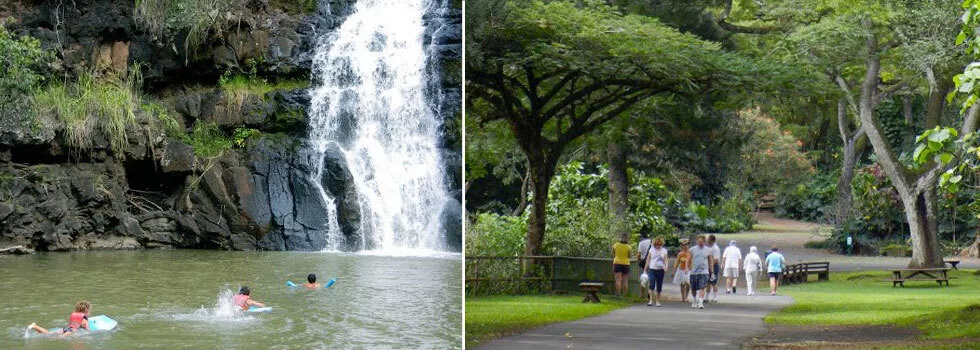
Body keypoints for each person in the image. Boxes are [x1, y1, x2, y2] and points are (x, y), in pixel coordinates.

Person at [689, 235, 714, 309]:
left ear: (704, 242)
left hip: (704, 272)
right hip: (694, 272)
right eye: (699, 242)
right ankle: (694, 300)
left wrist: (711, 271)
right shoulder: (692, 249)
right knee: (693, 288)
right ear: (697, 241)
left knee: (702, 287)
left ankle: (700, 302)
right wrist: (687, 268)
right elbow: (688, 259)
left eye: (702, 242)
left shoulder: (708, 250)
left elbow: (710, 261)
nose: (700, 243)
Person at [643, 236, 669, 307]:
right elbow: (648, 259)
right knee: (652, 283)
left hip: (660, 269)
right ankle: (651, 300)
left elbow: (666, 259)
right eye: (656, 244)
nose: (658, 246)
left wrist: (666, 267)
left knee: (659, 285)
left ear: (661, 244)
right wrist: (645, 268)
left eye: (659, 244)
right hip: (652, 269)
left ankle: (658, 300)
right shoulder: (651, 250)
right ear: (654, 244)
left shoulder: (664, 250)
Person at [672, 239, 692, 303]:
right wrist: (674, 271)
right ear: (681, 246)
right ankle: (683, 297)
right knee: (682, 284)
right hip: (681, 270)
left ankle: (686, 296)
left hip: (688, 270)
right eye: (683, 245)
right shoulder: (680, 254)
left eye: (686, 245)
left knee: (688, 283)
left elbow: (693, 262)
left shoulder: (690, 253)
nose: (685, 246)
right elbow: (676, 263)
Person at [636, 232, 652, 299]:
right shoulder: (652, 242)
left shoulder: (641, 243)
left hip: (643, 262)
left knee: (643, 277)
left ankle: (642, 294)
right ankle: (650, 292)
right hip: (652, 262)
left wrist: (638, 260)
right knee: (651, 278)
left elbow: (639, 254)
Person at [707, 234, 722, 302]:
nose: (707, 240)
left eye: (708, 239)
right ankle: (706, 296)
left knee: (713, 282)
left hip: (714, 266)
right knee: (707, 282)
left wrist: (710, 265)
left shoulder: (715, 248)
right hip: (709, 266)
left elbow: (716, 259)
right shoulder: (710, 247)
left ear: (711, 240)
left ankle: (715, 297)